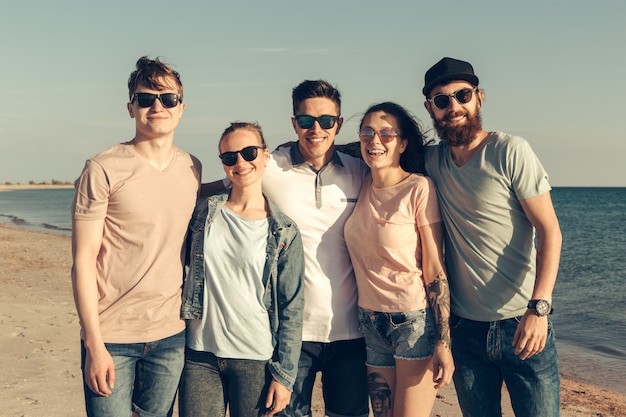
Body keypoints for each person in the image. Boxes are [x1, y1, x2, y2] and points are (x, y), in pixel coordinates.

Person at [421, 57, 562, 417]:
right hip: (464, 330)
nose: (453, 106)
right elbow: (380, 148)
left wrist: (539, 309)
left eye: (462, 95)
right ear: (430, 109)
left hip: (524, 325)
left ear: (479, 98)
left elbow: (549, 232)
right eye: (442, 100)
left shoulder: (510, 150)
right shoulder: (431, 161)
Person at [71, 56, 201, 417]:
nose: (157, 106)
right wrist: (94, 344)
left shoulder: (193, 168)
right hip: (111, 336)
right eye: (146, 99)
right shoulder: (101, 168)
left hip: (172, 334)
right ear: (131, 107)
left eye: (167, 98)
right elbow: (82, 261)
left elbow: (232, 188)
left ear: (181, 107)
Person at [179, 122, 305, 417]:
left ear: (265, 156)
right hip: (200, 355)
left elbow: (291, 307)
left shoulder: (284, 231)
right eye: (229, 157)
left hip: (256, 359)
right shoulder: (203, 213)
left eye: (249, 152)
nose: (240, 162)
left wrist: (284, 376)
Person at [264, 80, 370, 417]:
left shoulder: (360, 170)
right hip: (290, 335)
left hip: (352, 333)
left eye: (326, 121)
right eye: (306, 120)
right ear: (294, 122)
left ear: (338, 124)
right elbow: (222, 191)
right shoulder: (268, 168)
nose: (316, 129)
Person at [344, 102, 454, 417]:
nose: (374, 140)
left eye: (386, 134)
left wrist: (444, 342)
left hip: (413, 324)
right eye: (367, 132)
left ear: (403, 143)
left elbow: (434, 266)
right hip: (370, 323)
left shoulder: (418, 187)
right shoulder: (362, 181)